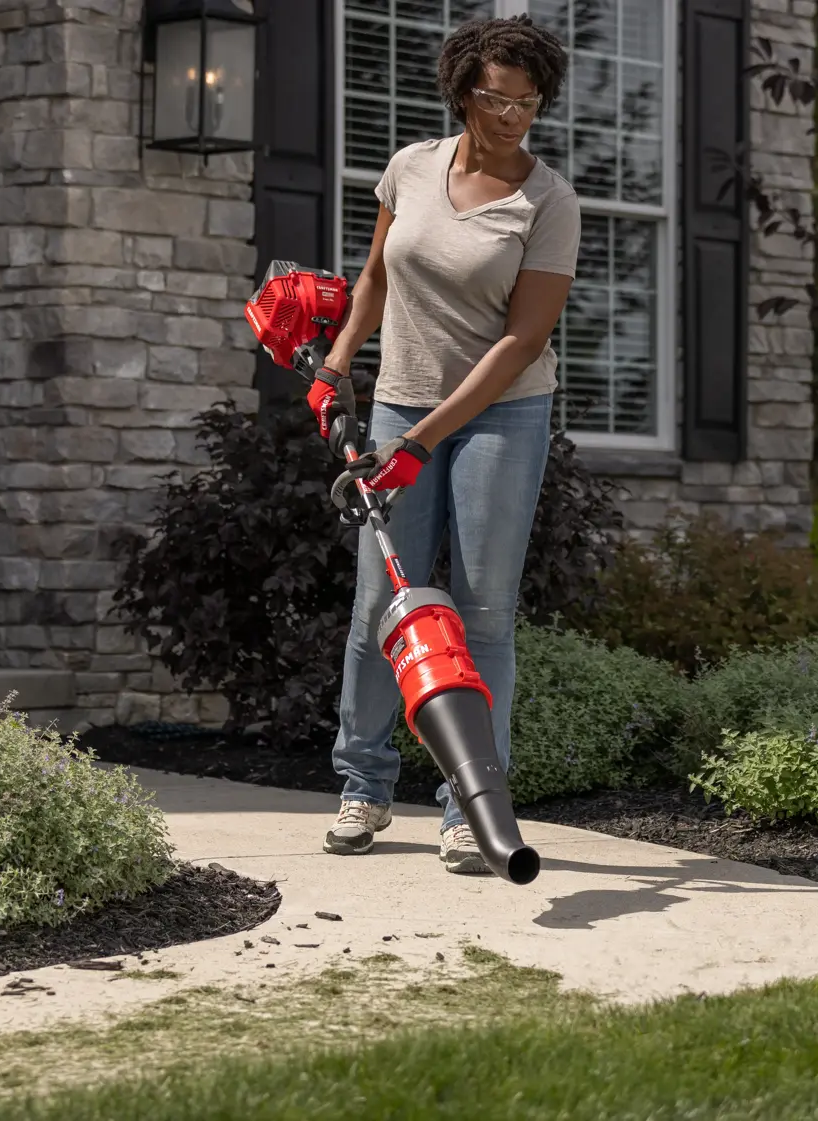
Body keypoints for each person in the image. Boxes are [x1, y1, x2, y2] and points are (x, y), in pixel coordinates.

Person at [307, 14, 580, 873]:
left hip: (502, 415)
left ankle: (469, 807)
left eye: (528, 102)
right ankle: (363, 783)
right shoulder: (411, 168)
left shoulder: (549, 202)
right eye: (497, 99)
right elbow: (377, 275)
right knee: (379, 605)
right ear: (463, 92)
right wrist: (338, 364)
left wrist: (422, 440)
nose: (513, 117)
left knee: (482, 612)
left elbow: (522, 342)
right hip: (400, 401)